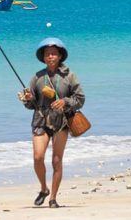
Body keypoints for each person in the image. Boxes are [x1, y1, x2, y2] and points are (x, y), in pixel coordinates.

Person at [18, 38, 85, 208]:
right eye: (47, 54)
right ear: (43, 57)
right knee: (38, 157)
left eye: (54, 54)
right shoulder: (37, 77)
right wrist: (27, 99)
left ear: (60, 56)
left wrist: (65, 101)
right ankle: (44, 188)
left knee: (56, 160)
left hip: (61, 122)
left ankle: (53, 198)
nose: (50, 57)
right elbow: (30, 105)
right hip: (41, 121)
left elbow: (80, 99)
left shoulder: (70, 76)